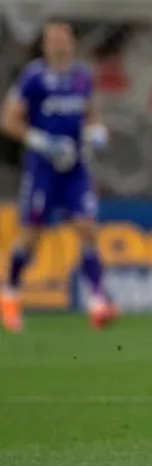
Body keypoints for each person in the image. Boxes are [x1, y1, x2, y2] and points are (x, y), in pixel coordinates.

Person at [0, 19, 115, 332]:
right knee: (30, 236)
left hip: (75, 167)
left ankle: (97, 300)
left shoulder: (82, 77)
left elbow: (91, 114)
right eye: (53, 39)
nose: (58, 44)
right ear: (44, 45)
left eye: (63, 38)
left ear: (72, 42)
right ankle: (10, 293)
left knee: (86, 227)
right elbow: (9, 120)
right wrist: (40, 141)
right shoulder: (33, 77)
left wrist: (97, 131)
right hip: (42, 168)